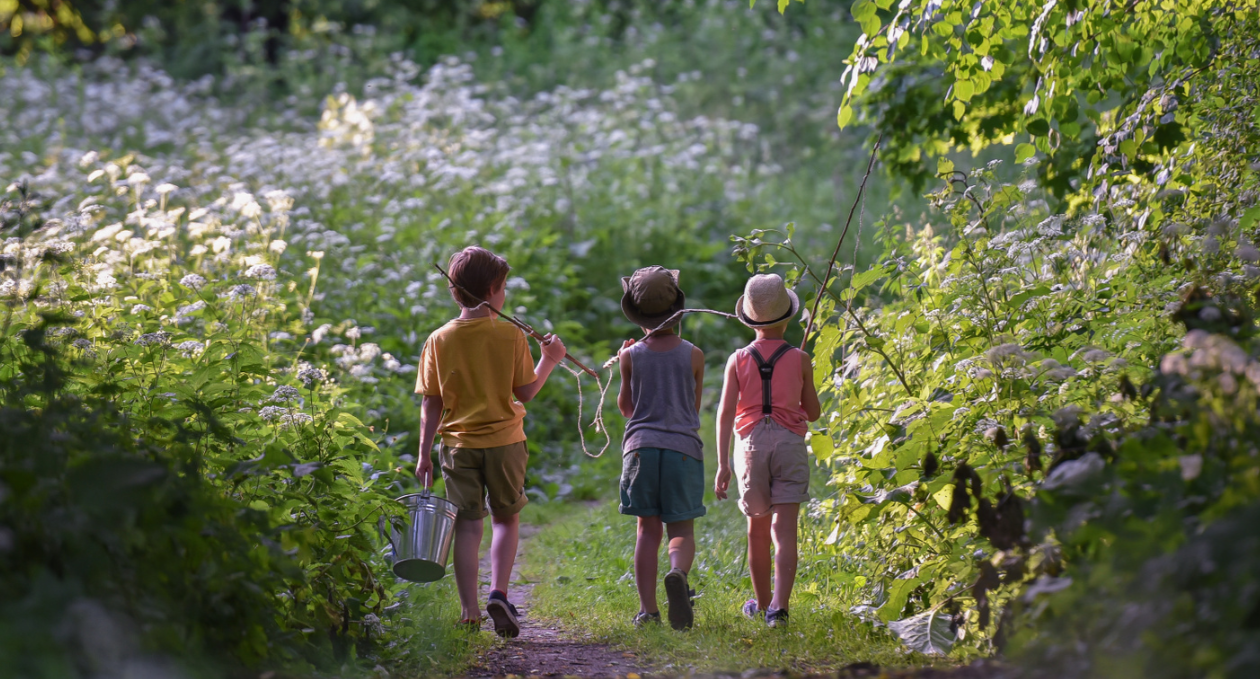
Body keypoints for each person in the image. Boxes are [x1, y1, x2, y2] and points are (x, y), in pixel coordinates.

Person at [414, 246, 567, 637]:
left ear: (456, 292)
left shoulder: (439, 339)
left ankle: (469, 611)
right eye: (503, 287)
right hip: (505, 443)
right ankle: (498, 592)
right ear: (493, 290)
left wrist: (423, 454)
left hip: (458, 446)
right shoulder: (509, 333)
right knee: (505, 518)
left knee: (467, 525)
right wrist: (550, 358)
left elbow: (431, 402)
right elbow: (527, 391)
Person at [714, 273, 821, 628]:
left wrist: (721, 464)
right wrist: (800, 377)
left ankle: (760, 604)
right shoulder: (800, 357)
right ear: (788, 316)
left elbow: (725, 413)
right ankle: (779, 607)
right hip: (789, 445)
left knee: (757, 529)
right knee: (785, 531)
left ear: (748, 317)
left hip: (750, 447)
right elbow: (814, 411)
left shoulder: (737, 359)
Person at [615, 266, 706, 630]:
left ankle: (648, 611)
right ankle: (678, 572)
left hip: (640, 450)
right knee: (681, 530)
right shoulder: (694, 355)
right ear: (677, 311)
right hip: (682, 448)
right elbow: (692, 408)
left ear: (636, 314)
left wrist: (627, 362)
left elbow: (626, 409)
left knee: (646, 531)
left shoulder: (630, 355)